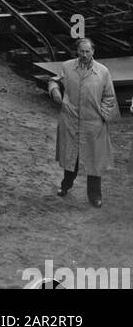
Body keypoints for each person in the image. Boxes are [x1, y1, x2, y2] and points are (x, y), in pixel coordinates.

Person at [49, 38, 118, 207]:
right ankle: (65, 186)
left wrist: (102, 116)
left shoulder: (103, 72)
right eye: (81, 51)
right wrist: (54, 90)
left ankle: (95, 196)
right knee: (72, 156)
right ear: (77, 52)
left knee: (94, 161)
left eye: (88, 51)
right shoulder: (67, 67)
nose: (85, 55)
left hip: (93, 123)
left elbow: (109, 97)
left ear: (93, 51)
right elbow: (54, 80)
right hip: (71, 120)